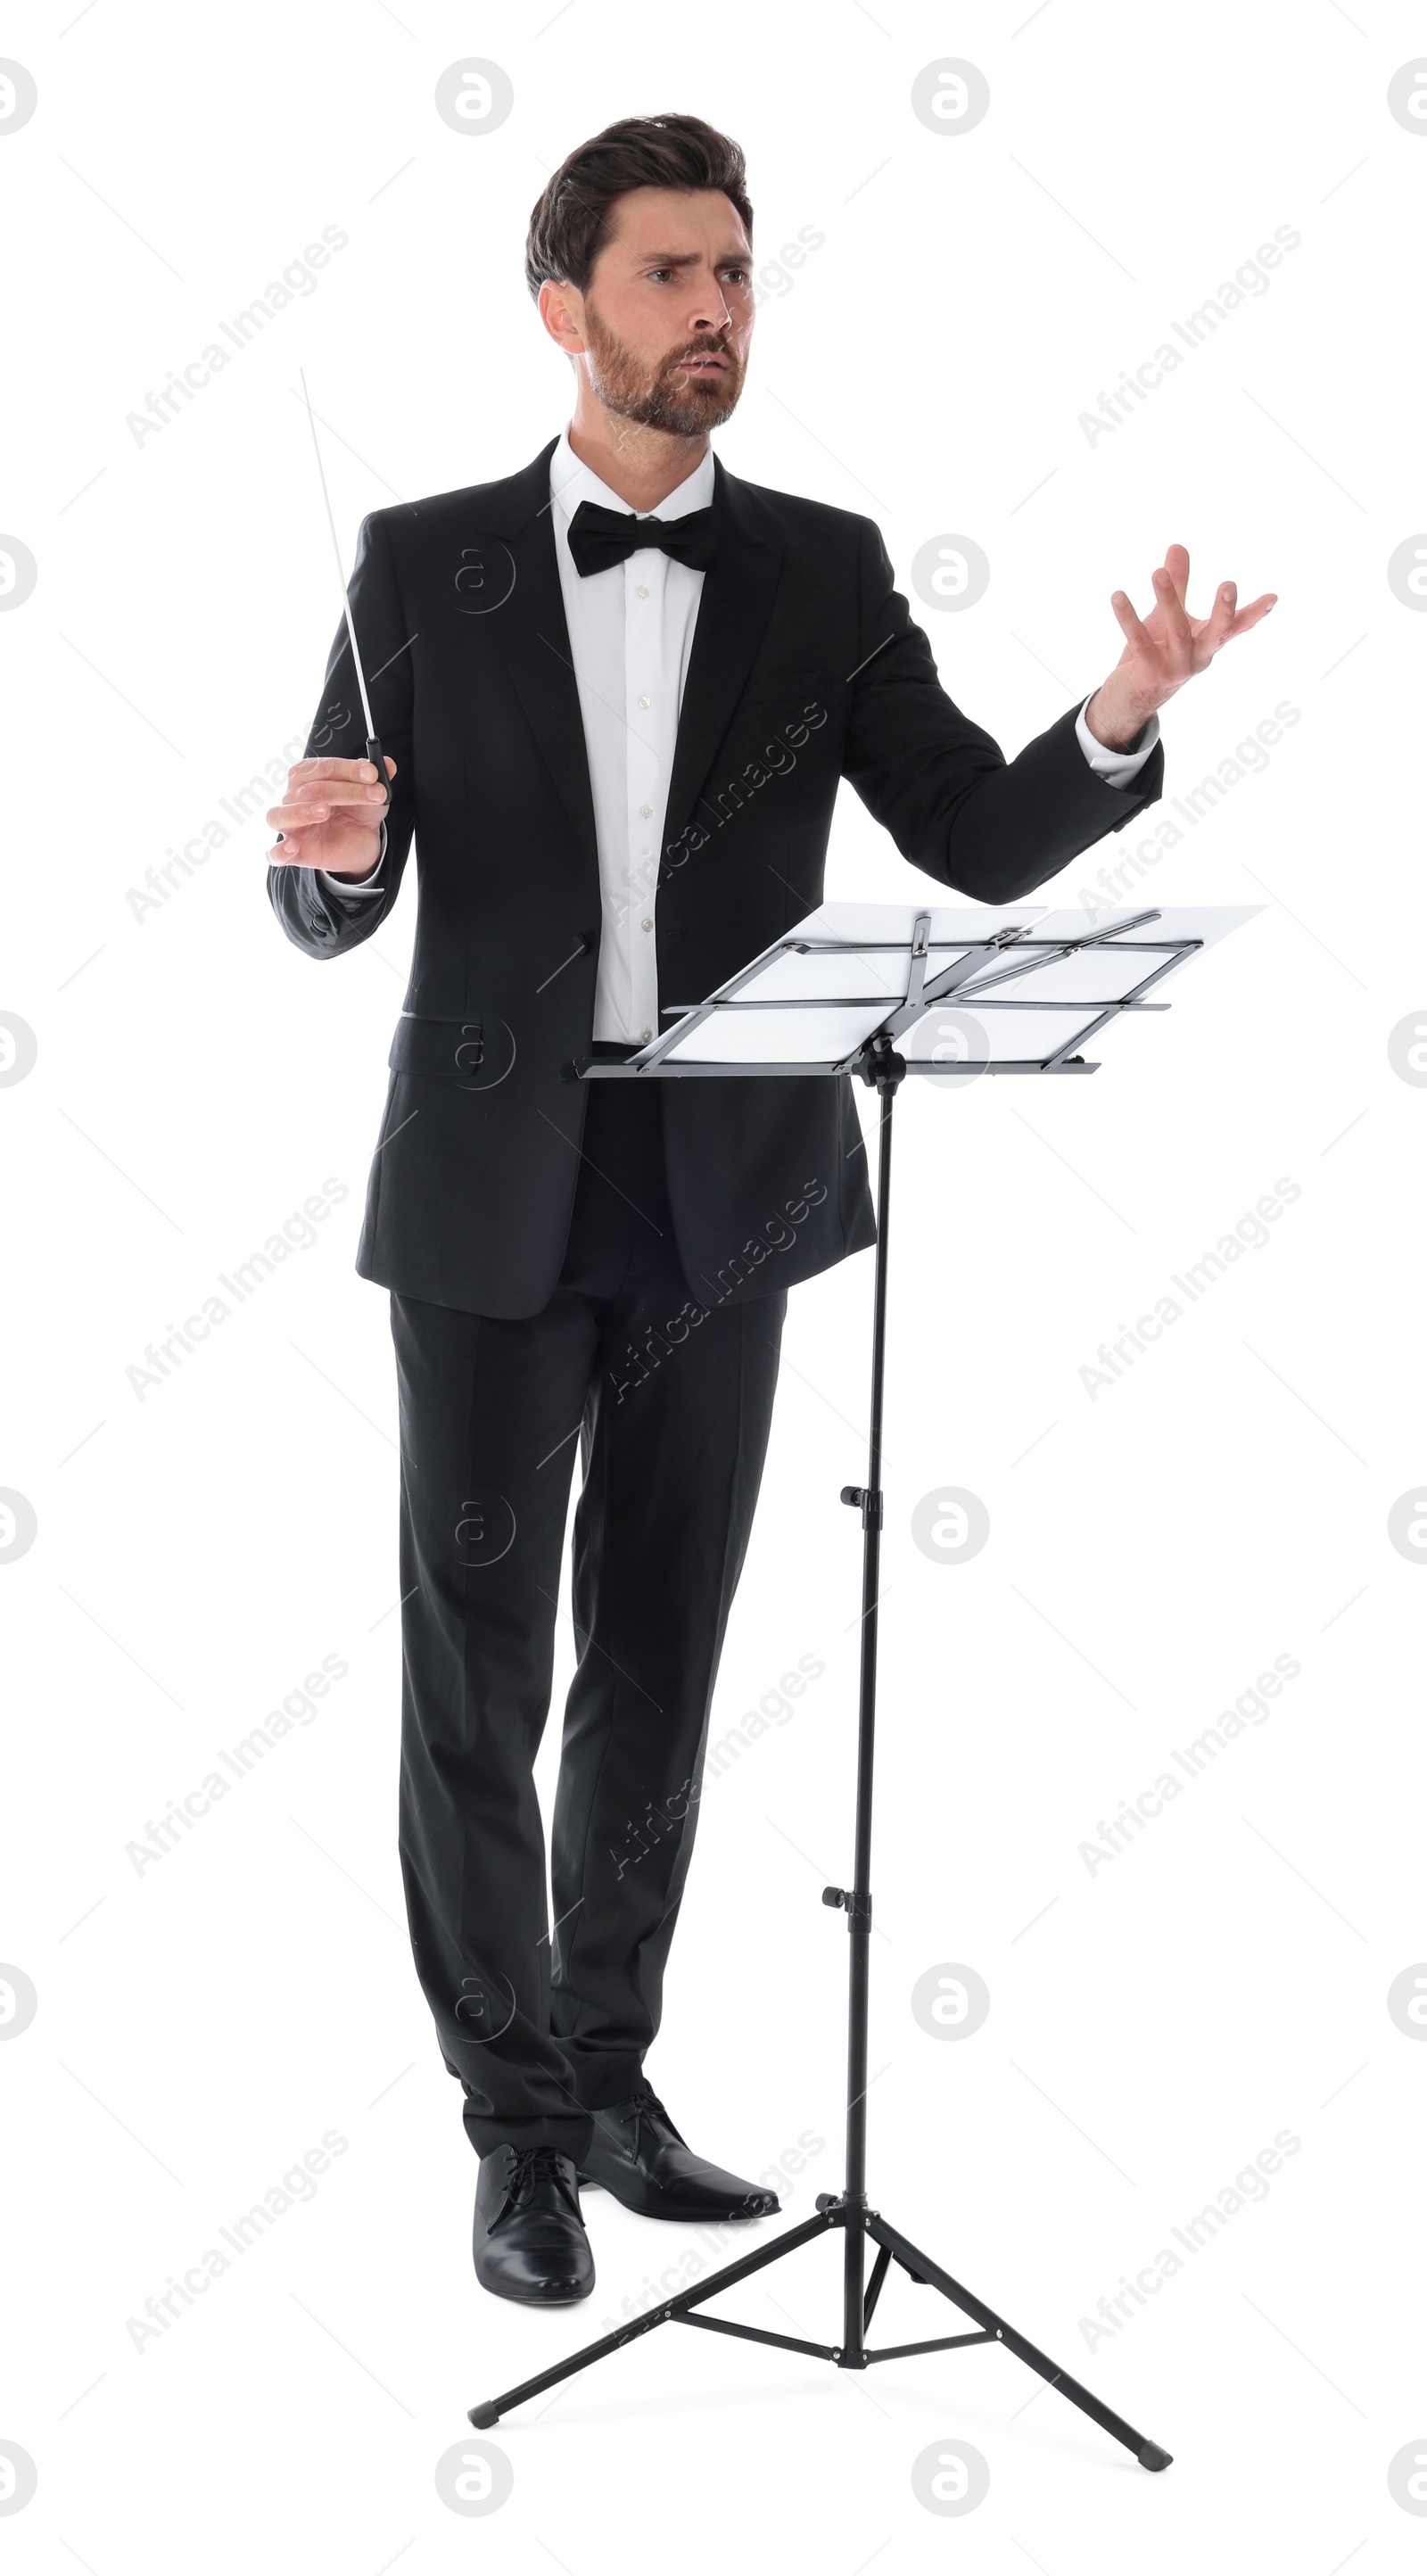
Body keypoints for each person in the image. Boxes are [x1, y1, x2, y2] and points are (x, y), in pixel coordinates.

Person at [266, 112, 1275, 2307]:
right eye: (666, 275)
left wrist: (1111, 718)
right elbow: (326, 887)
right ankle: (512, 2129)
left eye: (735, 271)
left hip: (725, 1178)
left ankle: (611, 2076)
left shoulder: (819, 568)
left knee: (658, 1654)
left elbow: (977, 847)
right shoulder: (412, 557)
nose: (715, 310)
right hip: (485, 1182)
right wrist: (334, 853)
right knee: (474, 1668)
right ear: (563, 308)